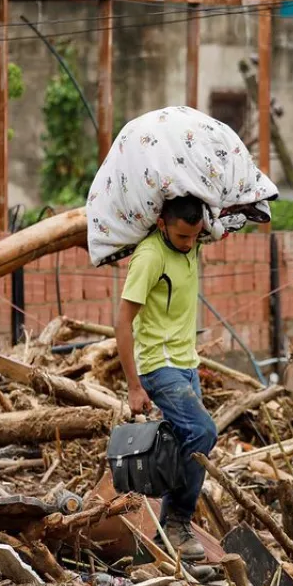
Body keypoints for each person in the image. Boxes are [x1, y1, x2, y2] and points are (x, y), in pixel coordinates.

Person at [115, 194, 216, 562]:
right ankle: (177, 520)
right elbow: (122, 322)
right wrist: (134, 386)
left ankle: (162, 528)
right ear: (161, 225)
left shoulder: (192, 241)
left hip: (187, 363)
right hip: (159, 365)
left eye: (195, 237)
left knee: (181, 442)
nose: (190, 244)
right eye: (183, 238)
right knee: (203, 431)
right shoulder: (149, 257)